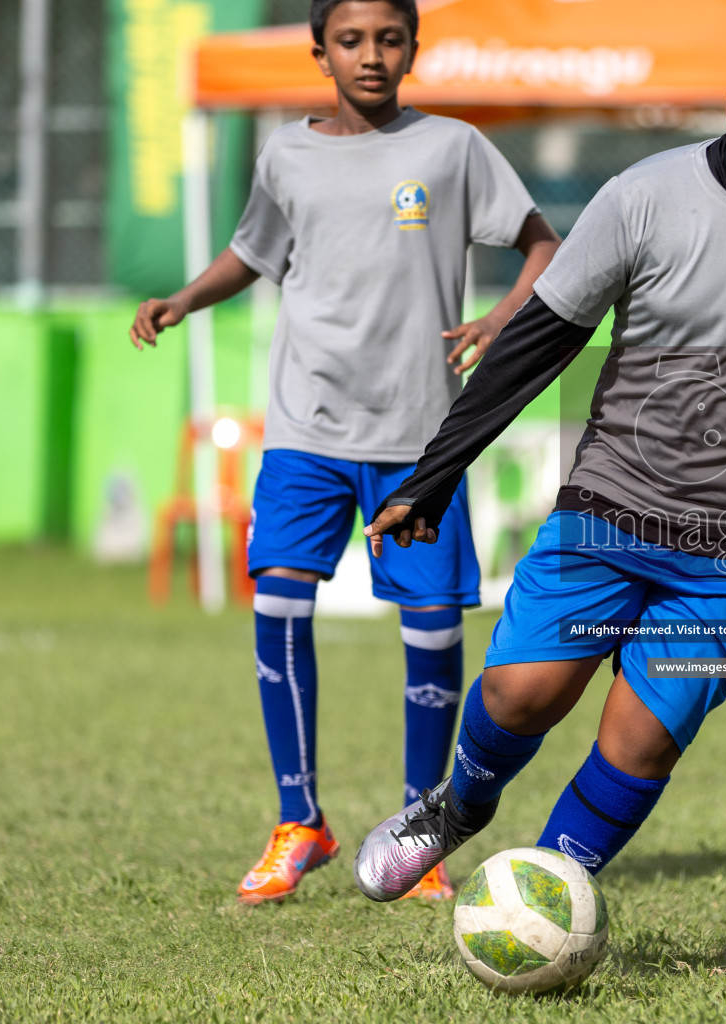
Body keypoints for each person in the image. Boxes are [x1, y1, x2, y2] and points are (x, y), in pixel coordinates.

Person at [346, 14, 726, 898]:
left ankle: (547, 898)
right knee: (520, 694)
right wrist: (434, 475)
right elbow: (538, 342)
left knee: (640, 738)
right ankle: (459, 807)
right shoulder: (643, 198)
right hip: (612, 506)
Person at [128, 0, 560, 903]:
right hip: (305, 431)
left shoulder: (453, 148)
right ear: (320, 51)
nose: (372, 55)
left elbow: (541, 244)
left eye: (390, 38)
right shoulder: (285, 153)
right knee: (278, 604)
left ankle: (417, 835)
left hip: (420, 444)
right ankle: (300, 823)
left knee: (433, 628)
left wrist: (499, 317)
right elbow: (252, 253)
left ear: (412, 47)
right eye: (353, 40)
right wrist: (181, 298)